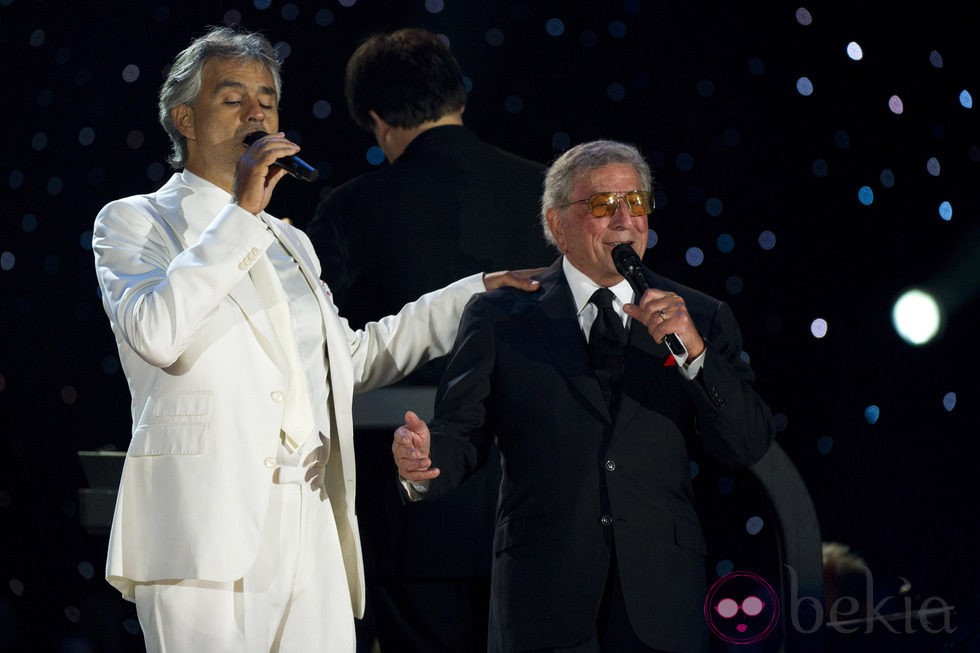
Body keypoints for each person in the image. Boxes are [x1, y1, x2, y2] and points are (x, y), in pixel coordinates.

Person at [91, 26, 538, 652]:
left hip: (311, 520)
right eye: (233, 97)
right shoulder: (136, 220)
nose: (256, 112)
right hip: (205, 530)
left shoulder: (289, 241)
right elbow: (158, 333)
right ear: (184, 118)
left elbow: (347, 360)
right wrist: (239, 216)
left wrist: (473, 291)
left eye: (268, 99)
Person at [393, 139, 777, 652]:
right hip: (541, 597)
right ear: (557, 225)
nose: (624, 219)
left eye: (637, 203)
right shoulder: (500, 316)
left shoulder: (700, 317)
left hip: (660, 599)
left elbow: (748, 443)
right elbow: (462, 433)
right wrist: (423, 461)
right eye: (601, 205)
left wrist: (697, 357)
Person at [305, 27, 553, 652]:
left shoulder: (350, 208)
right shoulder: (549, 195)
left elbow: (319, 349)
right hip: (539, 500)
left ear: (377, 118)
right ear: (460, 101)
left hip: (409, 513)